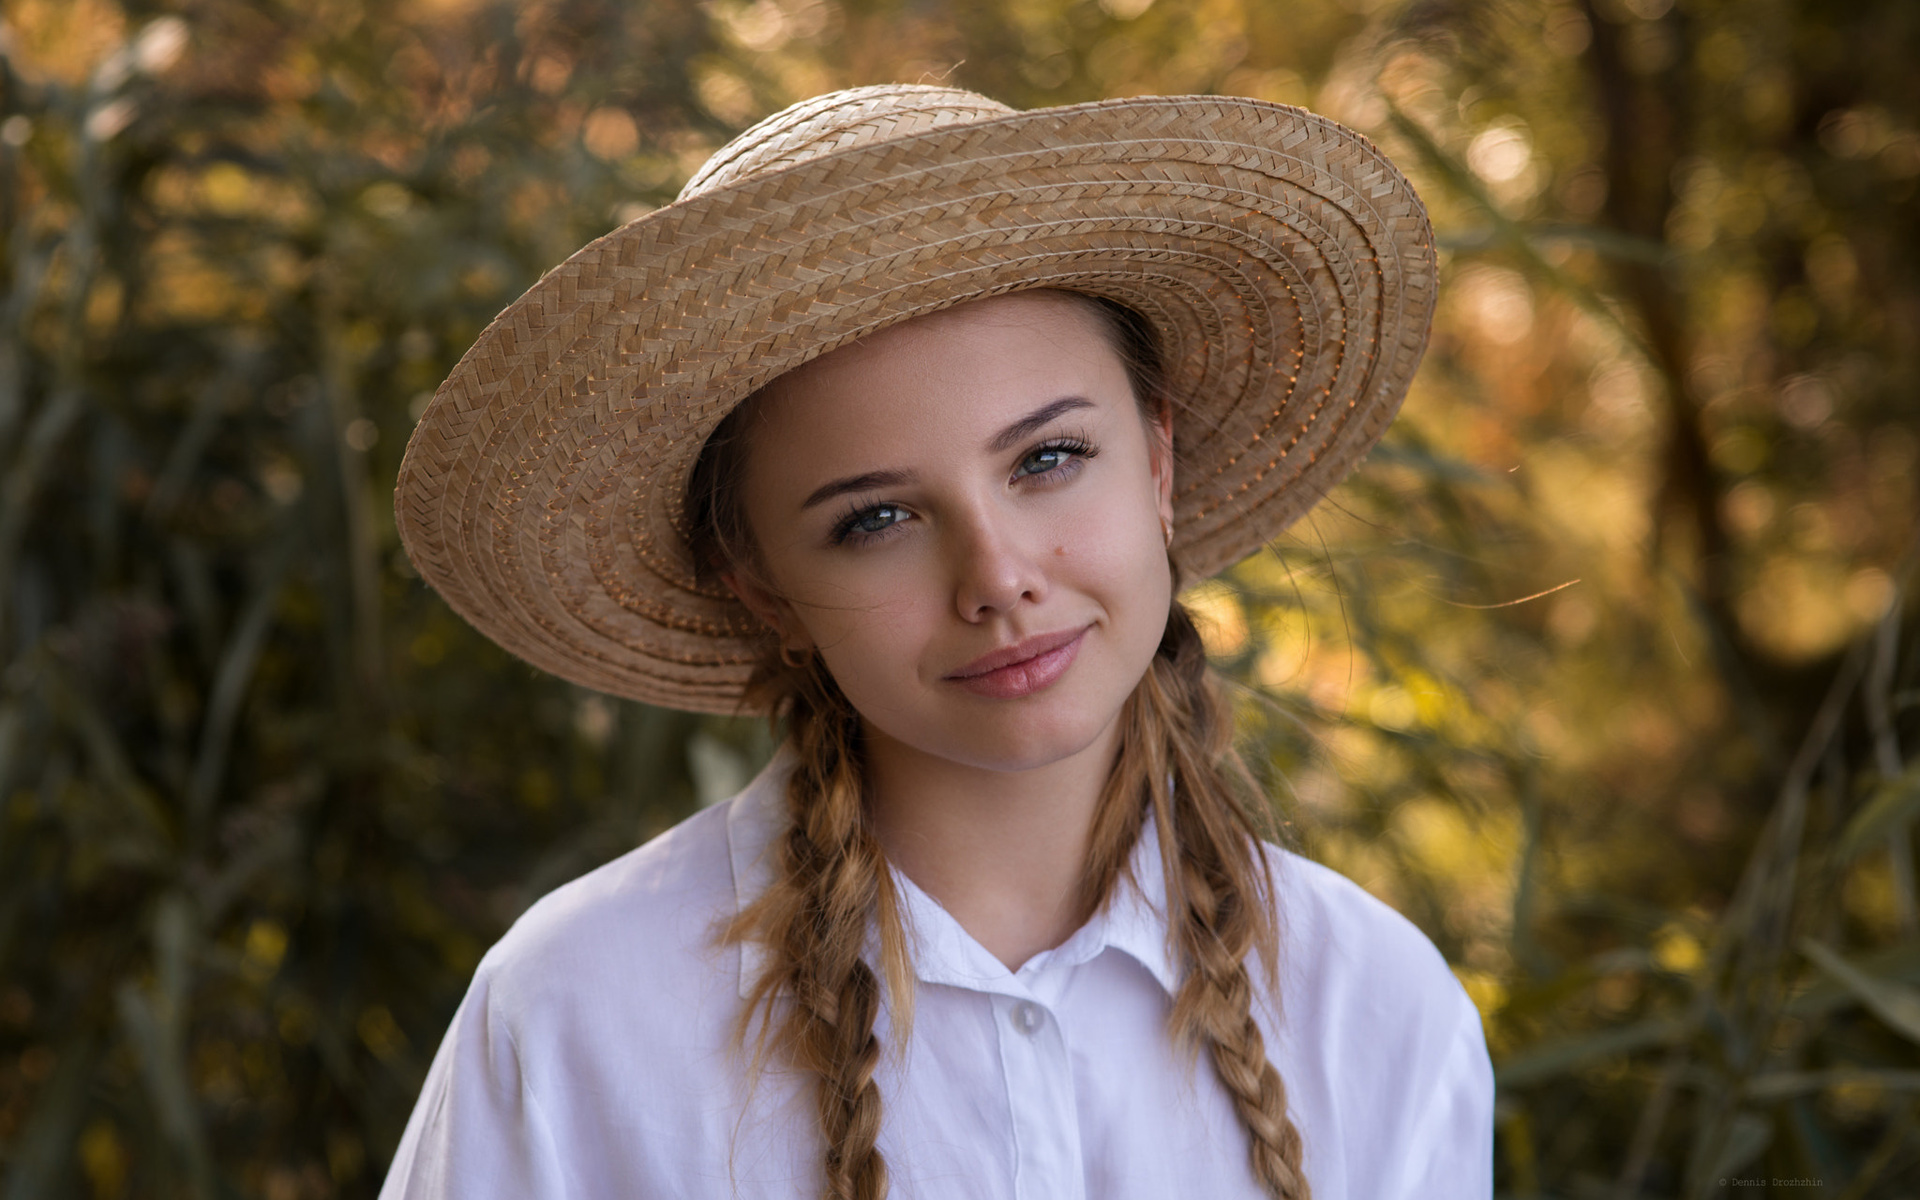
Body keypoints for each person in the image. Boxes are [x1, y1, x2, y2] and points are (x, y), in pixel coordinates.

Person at [381, 84, 1493, 1200]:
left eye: (1048, 459)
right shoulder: (578, 1016)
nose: (999, 577)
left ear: (1157, 464)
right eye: (876, 521)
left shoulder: (1379, 1012)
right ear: (763, 588)